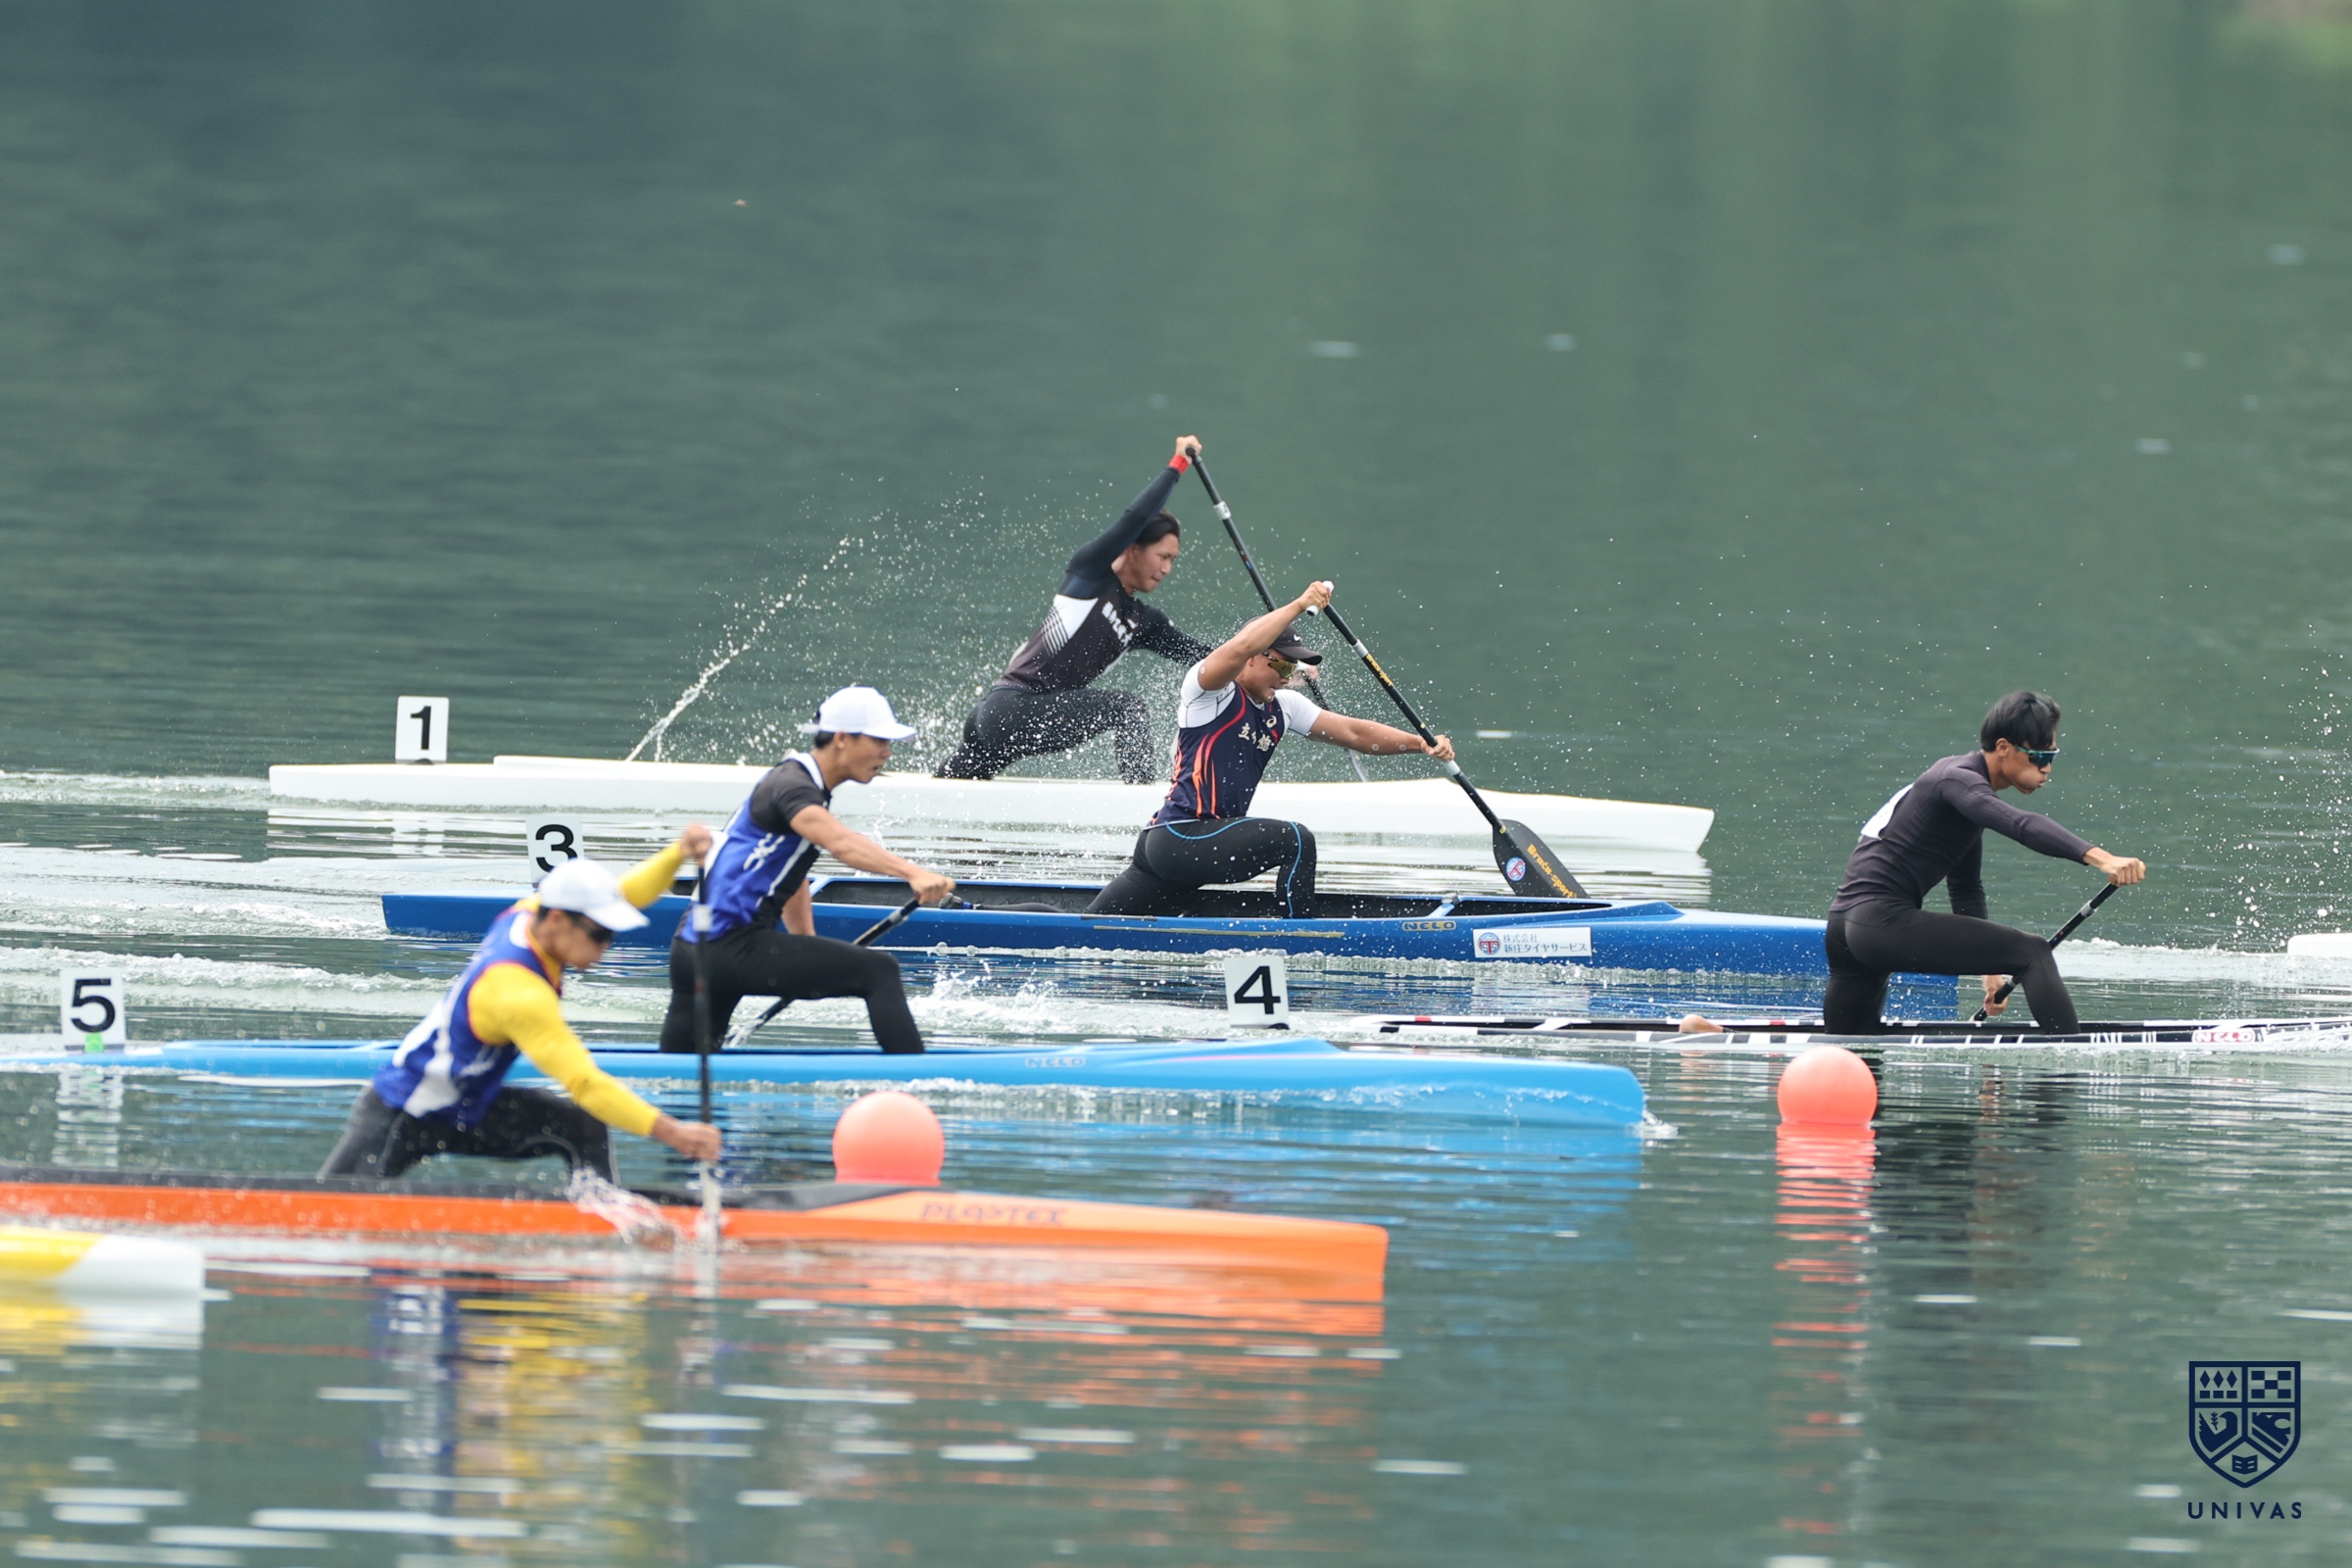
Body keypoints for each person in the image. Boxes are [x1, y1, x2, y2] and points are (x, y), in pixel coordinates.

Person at [321, 835, 723, 1182]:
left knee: (580, 1125)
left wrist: (678, 853)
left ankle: (600, 1208)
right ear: (558, 921)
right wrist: (674, 1133)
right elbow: (584, 1082)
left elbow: (626, 891)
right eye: (600, 935)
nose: (605, 948)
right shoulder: (519, 992)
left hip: (470, 1106)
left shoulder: (534, 911)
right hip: (402, 1113)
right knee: (334, 1204)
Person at [1086, 580, 1452, 918]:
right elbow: (1242, 644)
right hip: (1179, 838)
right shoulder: (1209, 693)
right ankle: (1297, 938)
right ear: (1251, 658)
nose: (1285, 675)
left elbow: (1355, 734)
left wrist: (1420, 743)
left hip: (1171, 849)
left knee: (1088, 928)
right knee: (1296, 840)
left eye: (1291, 667)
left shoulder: (1285, 707)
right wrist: (1299, 604)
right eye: (1279, 662)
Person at [1823, 690, 2146, 1035]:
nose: (2046, 768)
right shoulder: (1956, 779)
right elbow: (2022, 825)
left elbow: (1965, 888)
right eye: (2038, 756)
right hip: (1878, 922)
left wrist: (1989, 972)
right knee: (2032, 952)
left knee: (1850, 1051)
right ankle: (2071, 1055)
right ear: (2003, 747)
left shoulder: (1960, 788)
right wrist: (2104, 859)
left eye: (2052, 756)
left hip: (1844, 929)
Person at [662, 685, 957, 1055]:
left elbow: (791, 872)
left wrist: (805, 943)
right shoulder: (794, 786)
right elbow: (841, 842)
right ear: (842, 738)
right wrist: (913, 873)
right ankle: (917, 1079)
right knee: (879, 971)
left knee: (682, 1068)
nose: (887, 752)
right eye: (879, 740)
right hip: (730, 948)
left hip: (691, 948)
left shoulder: (793, 780)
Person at [936, 436, 1219, 783]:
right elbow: (1135, 517)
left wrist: (1266, 658)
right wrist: (1177, 466)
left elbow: (1204, 656)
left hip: (999, 719)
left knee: (950, 791)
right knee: (1127, 708)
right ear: (1132, 548)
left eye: (1173, 560)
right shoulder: (1091, 573)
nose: (1166, 569)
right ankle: (1145, 806)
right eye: (1162, 556)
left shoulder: (1144, 622)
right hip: (1010, 708)